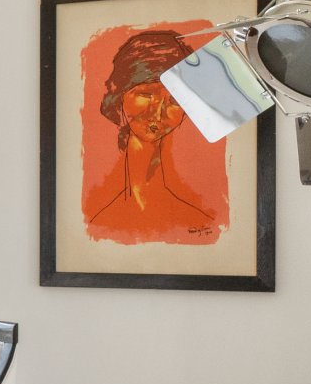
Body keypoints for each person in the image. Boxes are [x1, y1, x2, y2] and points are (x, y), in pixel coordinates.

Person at [82, 26, 219, 243]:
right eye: (146, 94)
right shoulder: (97, 224)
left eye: (174, 101)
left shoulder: (200, 223)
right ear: (120, 94)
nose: (157, 113)